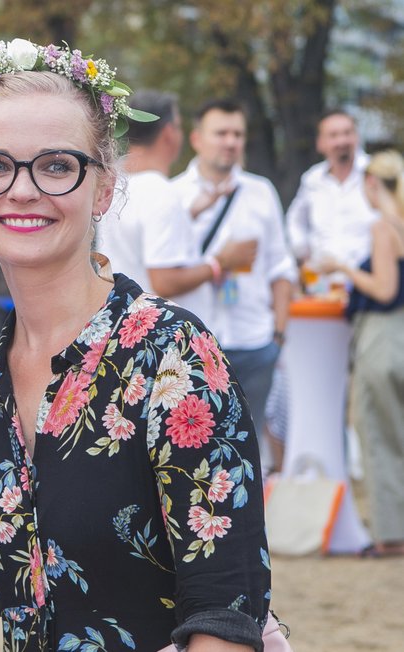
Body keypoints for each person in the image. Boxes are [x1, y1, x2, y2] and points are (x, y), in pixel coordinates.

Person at [0, 39, 270, 650]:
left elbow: (226, 613)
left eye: (57, 165)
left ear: (102, 189)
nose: (21, 189)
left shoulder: (171, 355)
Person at [171, 99, 297, 473]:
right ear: (196, 138)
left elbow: (281, 265)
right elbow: (163, 271)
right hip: (192, 343)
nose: (230, 142)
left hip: (254, 341)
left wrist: (278, 333)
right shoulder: (174, 195)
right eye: (221, 133)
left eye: (237, 134)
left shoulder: (261, 192)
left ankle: (249, 529)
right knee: (191, 452)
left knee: (249, 449)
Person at [319, 150, 404, 557]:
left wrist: (346, 269)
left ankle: (390, 534)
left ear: (373, 184)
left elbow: (385, 289)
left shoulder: (383, 227)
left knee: (376, 430)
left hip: (382, 336)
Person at [96, 91, 255, 301]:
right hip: (159, 327)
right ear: (169, 133)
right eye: (179, 126)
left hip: (124, 315)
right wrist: (220, 262)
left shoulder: (115, 186)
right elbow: (164, 281)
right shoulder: (161, 192)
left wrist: (190, 214)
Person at [286, 110, 379, 278]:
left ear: (357, 137)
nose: (342, 141)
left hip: (371, 285)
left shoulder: (376, 173)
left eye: (347, 133)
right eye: (333, 135)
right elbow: (294, 220)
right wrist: (302, 253)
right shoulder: (312, 179)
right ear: (320, 143)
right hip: (324, 287)